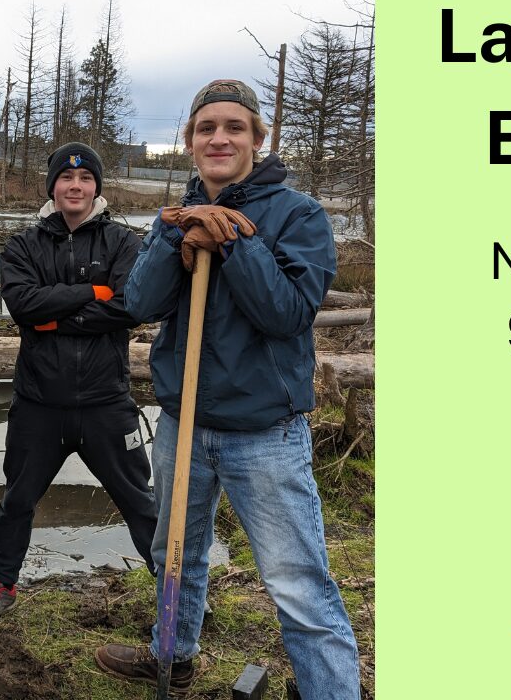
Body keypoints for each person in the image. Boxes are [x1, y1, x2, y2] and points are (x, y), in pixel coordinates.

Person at [101, 80, 360, 698]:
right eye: (206, 128)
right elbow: (138, 302)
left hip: (265, 431)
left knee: (295, 577)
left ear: (258, 139)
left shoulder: (298, 215)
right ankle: (173, 655)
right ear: (189, 141)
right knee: (174, 553)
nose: (220, 137)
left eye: (234, 127)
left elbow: (287, 313)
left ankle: (330, 689)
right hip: (183, 423)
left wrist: (235, 241)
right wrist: (177, 236)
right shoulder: (174, 215)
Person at [0, 142, 158, 622]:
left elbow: (132, 306)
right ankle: (1, 584)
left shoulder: (124, 242)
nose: (76, 186)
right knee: (17, 500)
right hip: (38, 404)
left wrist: (56, 317)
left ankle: (177, 590)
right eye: (66, 179)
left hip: (106, 402)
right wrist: (94, 293)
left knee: (141, 502)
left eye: (86, 179)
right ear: (53, 186)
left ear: (96, 187)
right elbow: (24, 306)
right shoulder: (23, 244)